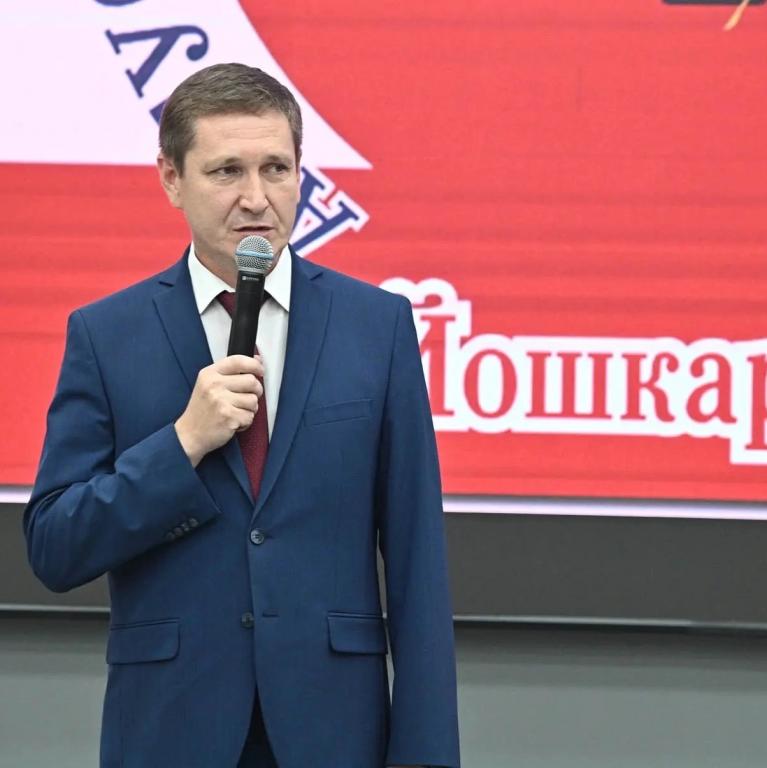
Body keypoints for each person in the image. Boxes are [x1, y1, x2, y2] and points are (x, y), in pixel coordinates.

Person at [23, 63, 459, 768]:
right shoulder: (107, 335)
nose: (256, 198)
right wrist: (180, 445)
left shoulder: (376, 327)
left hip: (334, 732)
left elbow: (417, 566)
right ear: (171, 179)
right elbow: (55, 547)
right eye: (227, 170)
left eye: (276, 169)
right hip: (171, 730)